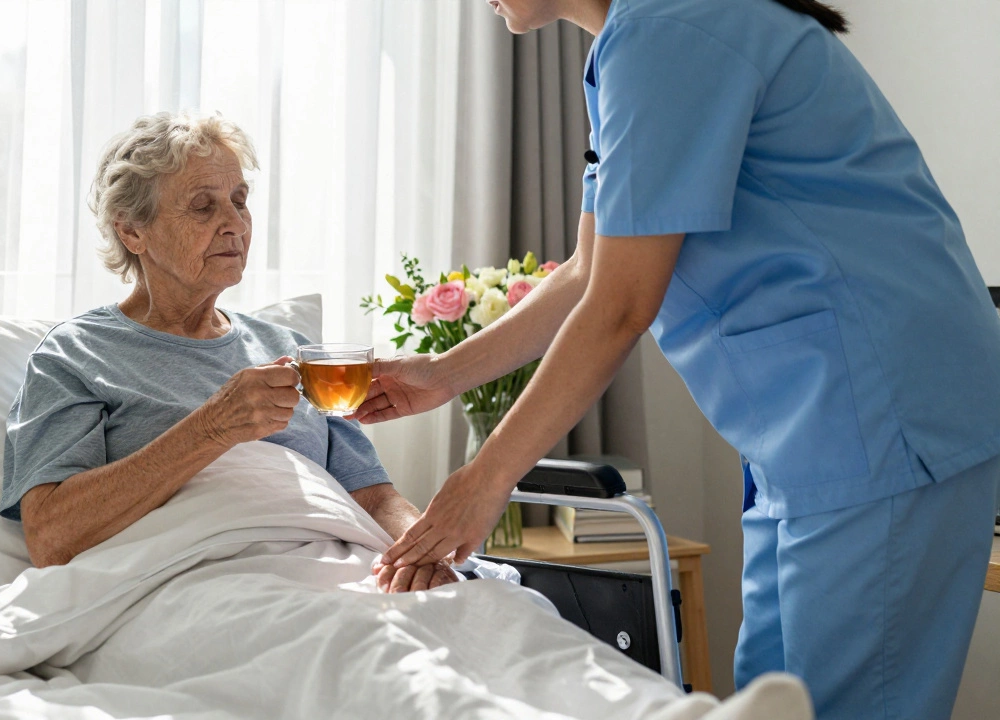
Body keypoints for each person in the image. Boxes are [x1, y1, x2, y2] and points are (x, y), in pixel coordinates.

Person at [355, 0, 1000, 717]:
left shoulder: (671, 29)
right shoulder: (638, 42)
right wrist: (439, 376)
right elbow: (588, 273)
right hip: (812, 433)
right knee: (775, 698)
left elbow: (620, 308)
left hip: (883, 416)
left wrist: (485, 483)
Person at [0, 111, 456, 593]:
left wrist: (427, 554)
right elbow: (51, 538)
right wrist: (213, 427)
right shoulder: (77, 354)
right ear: (133, 231)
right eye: (202, 206)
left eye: (240, 201)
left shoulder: (288, 349)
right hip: (188, 586)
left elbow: (373, 497)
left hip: (331, 577)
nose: (234, 224)